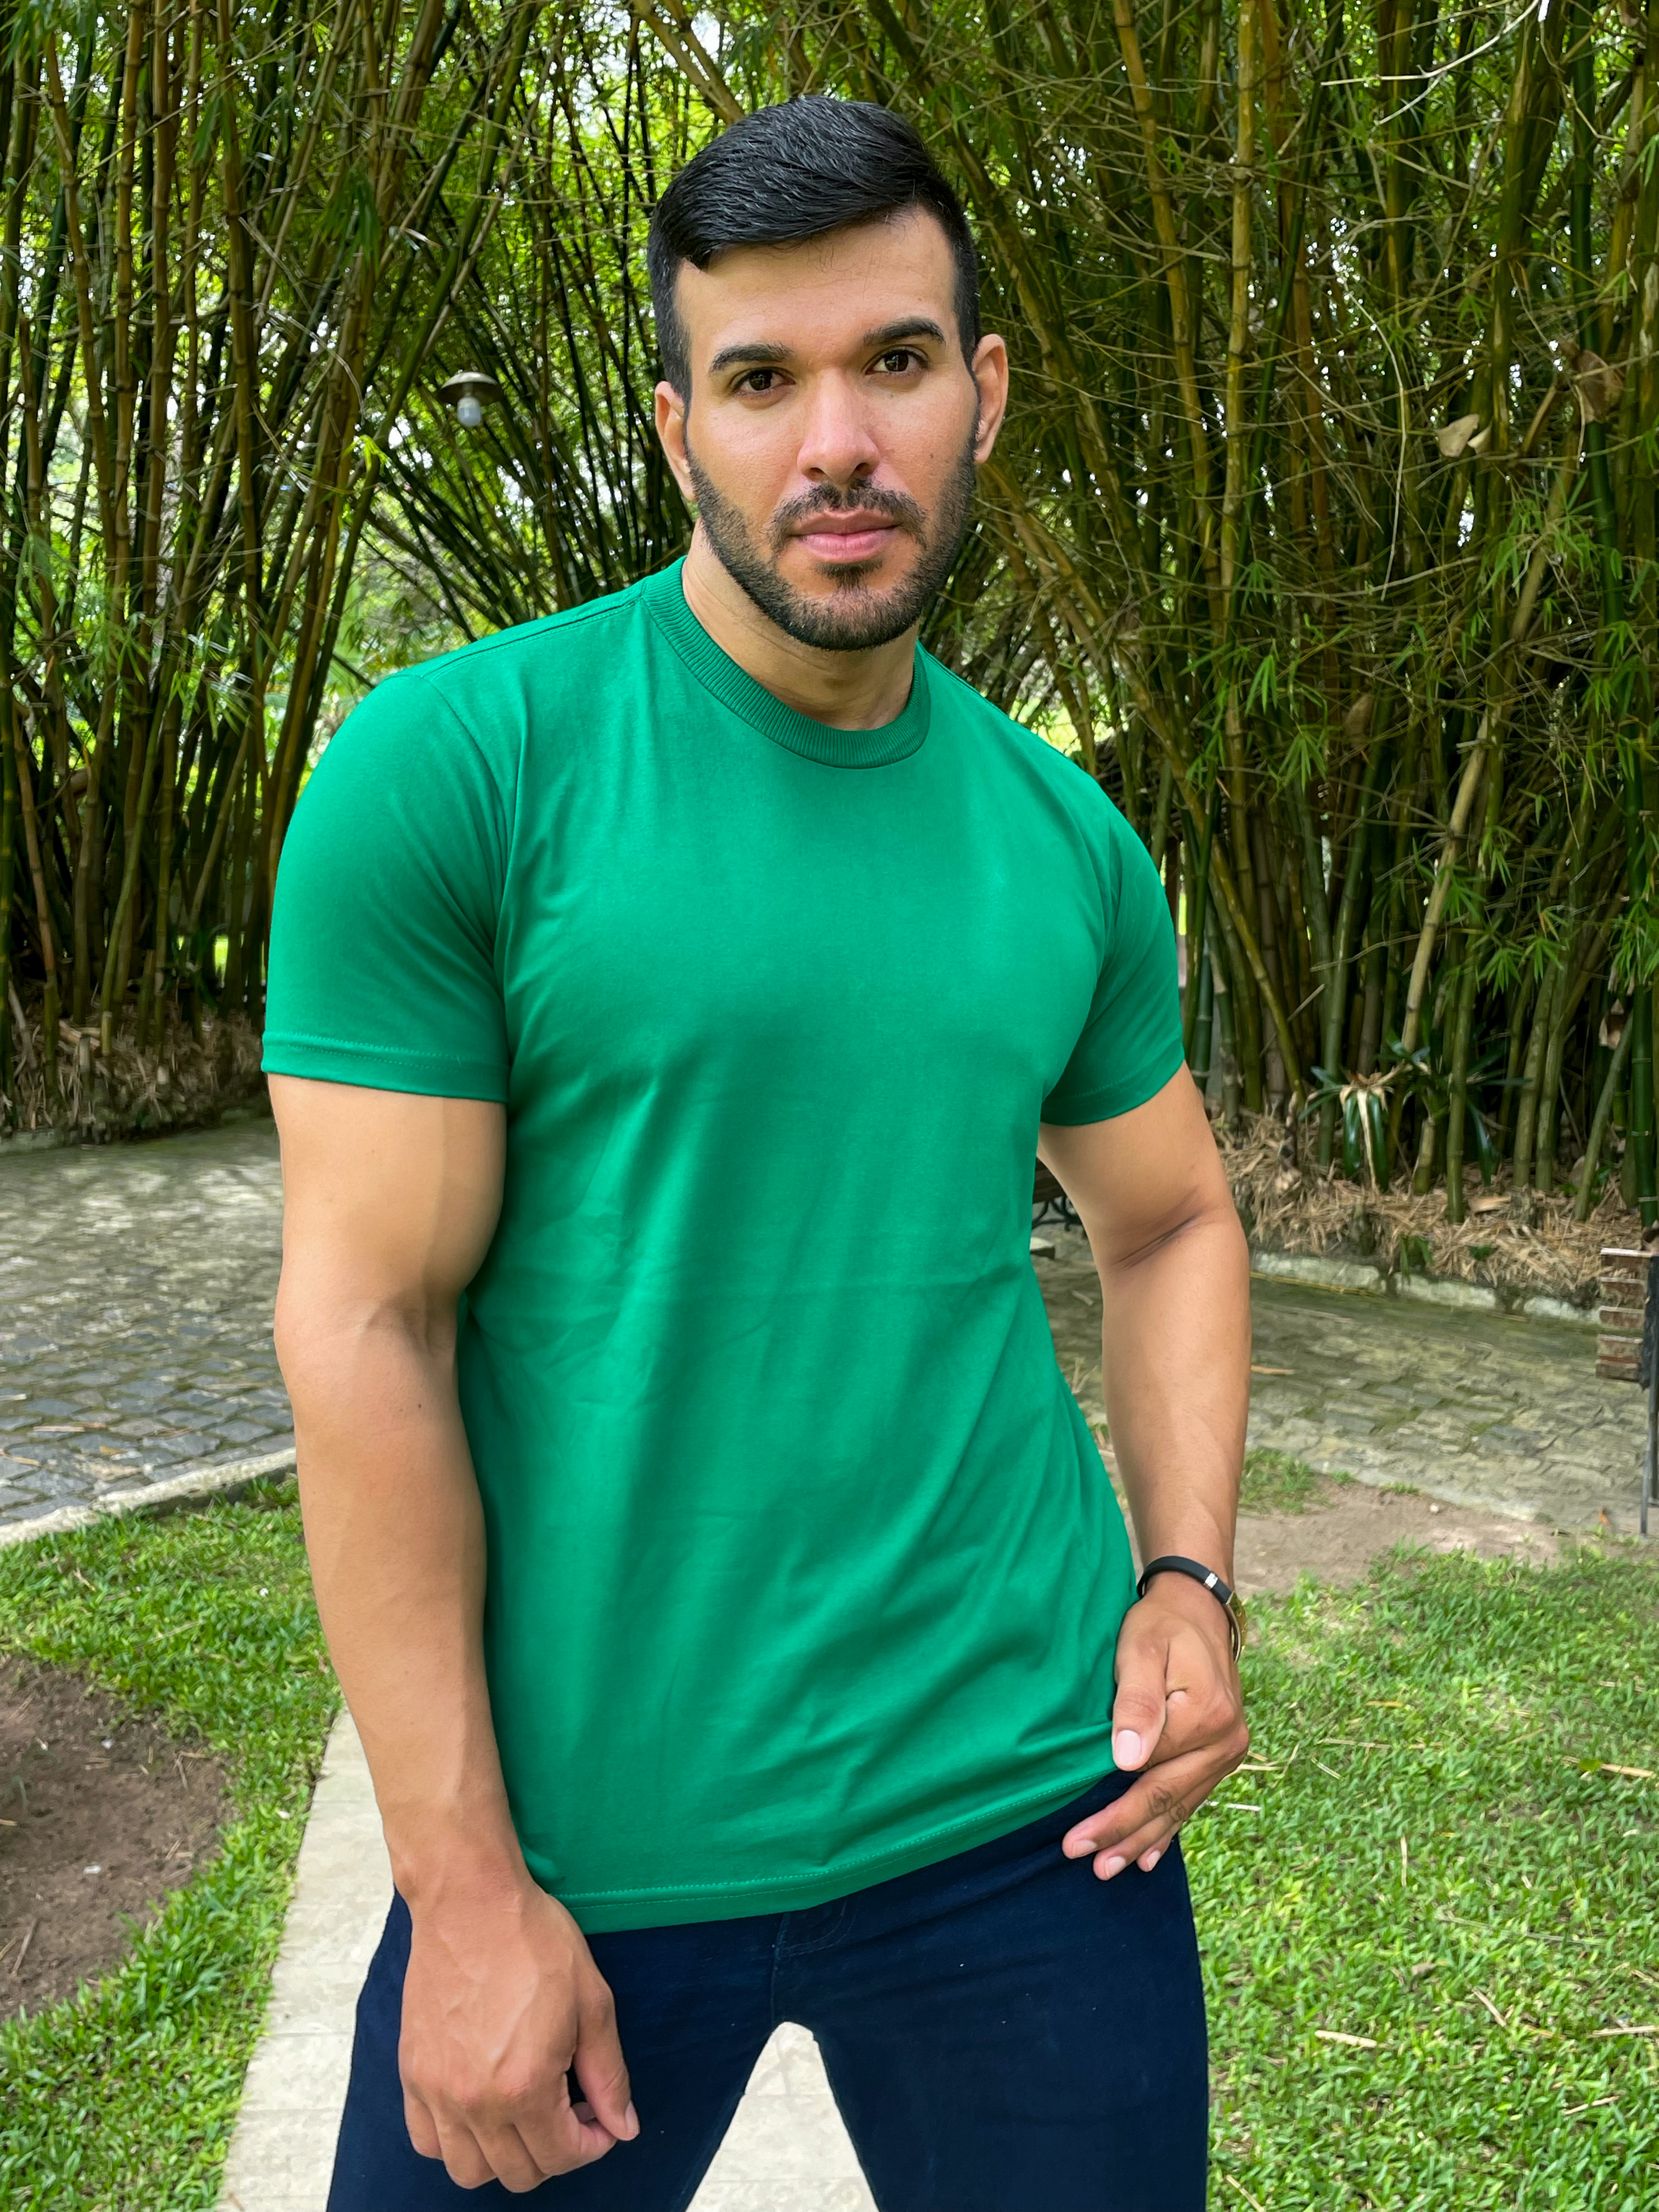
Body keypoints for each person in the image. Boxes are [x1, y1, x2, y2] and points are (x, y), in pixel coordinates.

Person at [265, 93, 1251, 2212]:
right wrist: (458, 1896)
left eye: (894, 361)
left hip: (1026, 1819)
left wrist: (1187, 1576)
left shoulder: (1064, 840)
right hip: (580, 1858)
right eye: (760, 378)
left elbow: (1169, 1219)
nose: (837, 443)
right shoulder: (459, 772)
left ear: (980, 392)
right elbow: (365, 1322)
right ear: (674, 424)